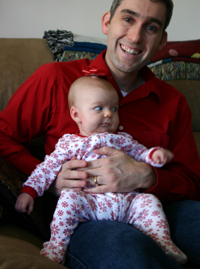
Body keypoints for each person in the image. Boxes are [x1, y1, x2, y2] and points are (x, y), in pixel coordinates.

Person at [0, 0, 200, 269]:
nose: (134, 37)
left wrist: (147, 175)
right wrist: (50, 181)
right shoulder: (55, 79)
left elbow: (192, 182)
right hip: (87, 213)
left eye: (151, 27)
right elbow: (3, 136)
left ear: (162, 41)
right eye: (128, 19)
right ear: (107, 22)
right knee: (127, 250)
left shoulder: (173, 102)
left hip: (155, 206)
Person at [15, 76, 187, 265]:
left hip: (128, 205)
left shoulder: (121, 139)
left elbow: (140, 153)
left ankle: (163, 243)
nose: (108, 114)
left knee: (149, 201)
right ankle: (57, 246)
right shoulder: (70, 144)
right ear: (76, 114)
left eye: (114, 109)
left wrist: (153, 155)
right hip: (90, 205)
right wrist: (29, 191)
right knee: (69, 199)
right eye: (99, 108)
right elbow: (46, 168)